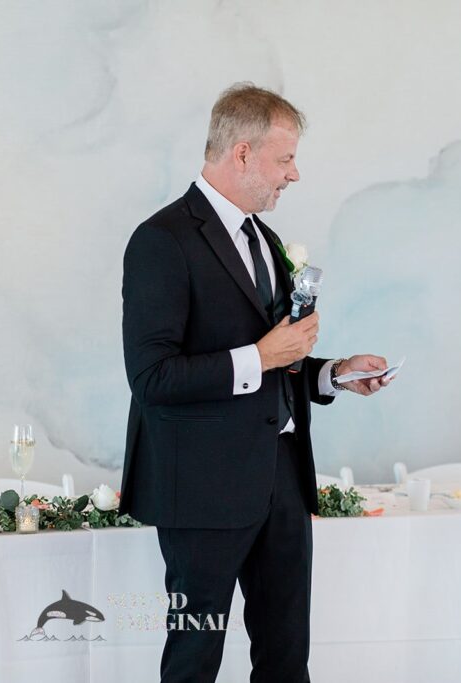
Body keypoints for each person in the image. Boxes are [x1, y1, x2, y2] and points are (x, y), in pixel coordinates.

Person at [121, 83, 391, 683]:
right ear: (241, 154)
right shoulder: (161, 241)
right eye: (285, 158)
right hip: (202, 490)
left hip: (283, 482)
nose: (294, 175)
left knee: (286, 656)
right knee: (195, 658)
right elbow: (152, 377)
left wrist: (333, 374)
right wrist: (261, 355)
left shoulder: (265, 240)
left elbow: (281, 363)